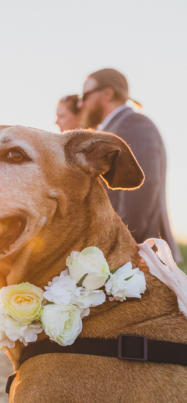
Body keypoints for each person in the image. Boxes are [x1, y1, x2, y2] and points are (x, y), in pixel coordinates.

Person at [78, 68, 182, 263]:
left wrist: (122, 249)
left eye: (86, 95)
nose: (82, 103)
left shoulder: (132, 124)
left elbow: (141, 189)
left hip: (141, 256)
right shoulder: (117, 126)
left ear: (107, 93)